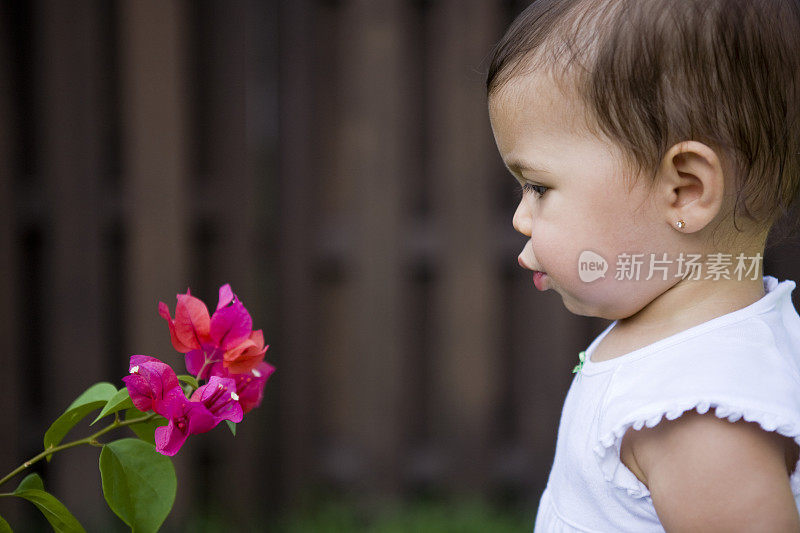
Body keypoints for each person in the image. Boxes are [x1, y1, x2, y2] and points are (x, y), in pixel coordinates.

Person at [486, 0, 800, 531]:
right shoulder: (678, 352)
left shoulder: (699, 416)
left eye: (538, 186)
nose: (521, 217)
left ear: (685, 190)